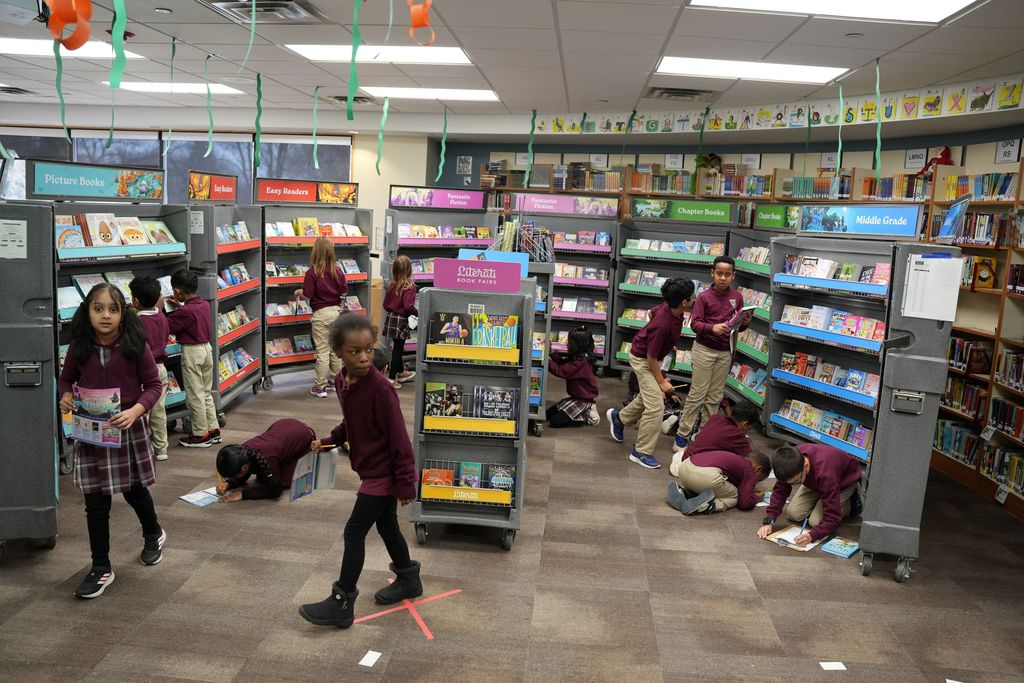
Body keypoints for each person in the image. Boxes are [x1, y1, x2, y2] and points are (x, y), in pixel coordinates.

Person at [299, 314, 420, 628]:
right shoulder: (342, 381)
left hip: (384, 473)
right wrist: (329, 441)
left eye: (368, 349)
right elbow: (352, 422)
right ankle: (409, 578)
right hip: (369, 469)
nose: (364, 357)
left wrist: (407, 484)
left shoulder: (381, 390)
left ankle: (342, 601)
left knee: (354, 533)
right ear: (338, 351)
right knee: (387, 526)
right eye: (355, 352)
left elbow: (399, 439)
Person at [58, 283, 165, 599]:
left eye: (113, 309)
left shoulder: (135, 345)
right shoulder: (80, 347)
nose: (106, 315)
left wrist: (136, 410)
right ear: (87, 312)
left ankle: (153, 533)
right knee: (95, 502)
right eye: (98, 308)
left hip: (126, 429)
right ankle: (101, 566)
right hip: (91, 432)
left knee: (134, 491)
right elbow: (65, 379)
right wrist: (64, 395)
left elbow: (154, 386)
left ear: (123, 313)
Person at [607, 278, 695, 469]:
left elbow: (650, 312)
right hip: (643, 359)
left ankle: (620, 418)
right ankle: (641, 452)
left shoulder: (669, 307)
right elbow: (651, 358)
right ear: (684, 302)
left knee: (648, 397)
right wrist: (662, 382)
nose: (694, 298)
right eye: (692, 297)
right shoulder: (662, 325)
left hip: (650, 356)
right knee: (655, 407)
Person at [676, 255, 749, 450]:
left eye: (727, 274)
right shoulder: (704, 297)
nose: (723, 278)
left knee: (715, 396)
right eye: (719, 274)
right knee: (697, 393)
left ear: (733, 276)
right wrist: (712, 328)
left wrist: (746, 321)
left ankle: (703, 434)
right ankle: (683, 432)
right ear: (712, 273)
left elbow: (737, 326)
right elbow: (695, 324)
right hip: (704, 350)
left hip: (725, 351)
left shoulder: (737, 297)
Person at [756, 444, 863, 547]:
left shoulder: (826, 474)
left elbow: (833, 519)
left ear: (805, 466)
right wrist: (769, 520)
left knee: (815, 522)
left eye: (796, 481)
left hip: (842, 483)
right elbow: (780, 491)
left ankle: (852, 504)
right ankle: (820, 498)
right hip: (813, 480)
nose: (792, 485)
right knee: (793, 513)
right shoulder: (790, 461)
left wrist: (812, 536)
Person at [165, 269, 219, 448]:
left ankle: (200, 434)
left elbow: (167, 326)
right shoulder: (203, 304)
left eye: (174, 290)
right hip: (206, 349)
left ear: (179, 291)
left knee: (194, 395)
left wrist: (161, 311)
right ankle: (213, 429)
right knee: (205, 392)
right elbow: (191, 315)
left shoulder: (185, 312)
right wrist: (180, 307)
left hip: (192, 352)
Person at [295, 236, 348, 398]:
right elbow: (344, 291)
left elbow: (308, 294)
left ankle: (320, 387)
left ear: (315, 252)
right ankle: (335, 381)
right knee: (335, 350)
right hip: (336, 312)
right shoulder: (337, 270)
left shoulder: (312, 272)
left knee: (323, 351)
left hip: (321, 314)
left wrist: (299, 292)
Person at [215, 418, 317, 501]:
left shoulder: (269, 457)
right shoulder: (242, 451)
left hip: (302, 437)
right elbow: (244, 471)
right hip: (284, 426)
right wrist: (228, 484)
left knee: (280, 481)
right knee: (264, 476)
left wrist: (243, 494)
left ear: (244, 467)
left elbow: (275, 491)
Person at [129, 276, 170, 462]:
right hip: (161, 368)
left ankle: (142, 449)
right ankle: (162, 449)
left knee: (142, 411)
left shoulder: (136, 321)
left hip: (144, 371)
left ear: (135, 301)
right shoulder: (161, 316)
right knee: (159, 411)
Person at [669, 400, 760, 477]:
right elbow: (751, 460)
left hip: (686, 458)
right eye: (749, 429)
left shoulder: (715, 418)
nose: (747, 432)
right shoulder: (738, 437)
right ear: (744, 424)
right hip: (694, 469)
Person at [667, 449, 771, 515]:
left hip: (685, 467)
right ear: (758, 469)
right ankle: (708, 505)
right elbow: (744, 503)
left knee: (720, 486)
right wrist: (757, 497)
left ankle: (686, 493)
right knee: (736, 496)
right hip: (705, 477)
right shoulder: (750, 471)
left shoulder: (736, 459)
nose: (755, 483)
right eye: (759, 480)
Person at [546, 325, 599, 428]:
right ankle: (580, 414)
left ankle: (587, 415)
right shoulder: (579, 357)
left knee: (555, 422)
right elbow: (562, 363)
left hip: (584, 401)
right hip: (575, 398)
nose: (567, 344)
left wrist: (545, 360)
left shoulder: (582, 362)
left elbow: (561, 371)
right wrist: (551, 353)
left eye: (570, 343)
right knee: (548, 414)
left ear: (577, 346)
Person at [381, 255, 418, 389]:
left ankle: (401, 373)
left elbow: (385, 304)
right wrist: (418, 313)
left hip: (391, 318)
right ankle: (391, 379)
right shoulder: (410, 287)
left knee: (397, 347)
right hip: (401, 320)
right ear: (409, 270)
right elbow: (408, 306)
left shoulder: (392, 285)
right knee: (398, 349)